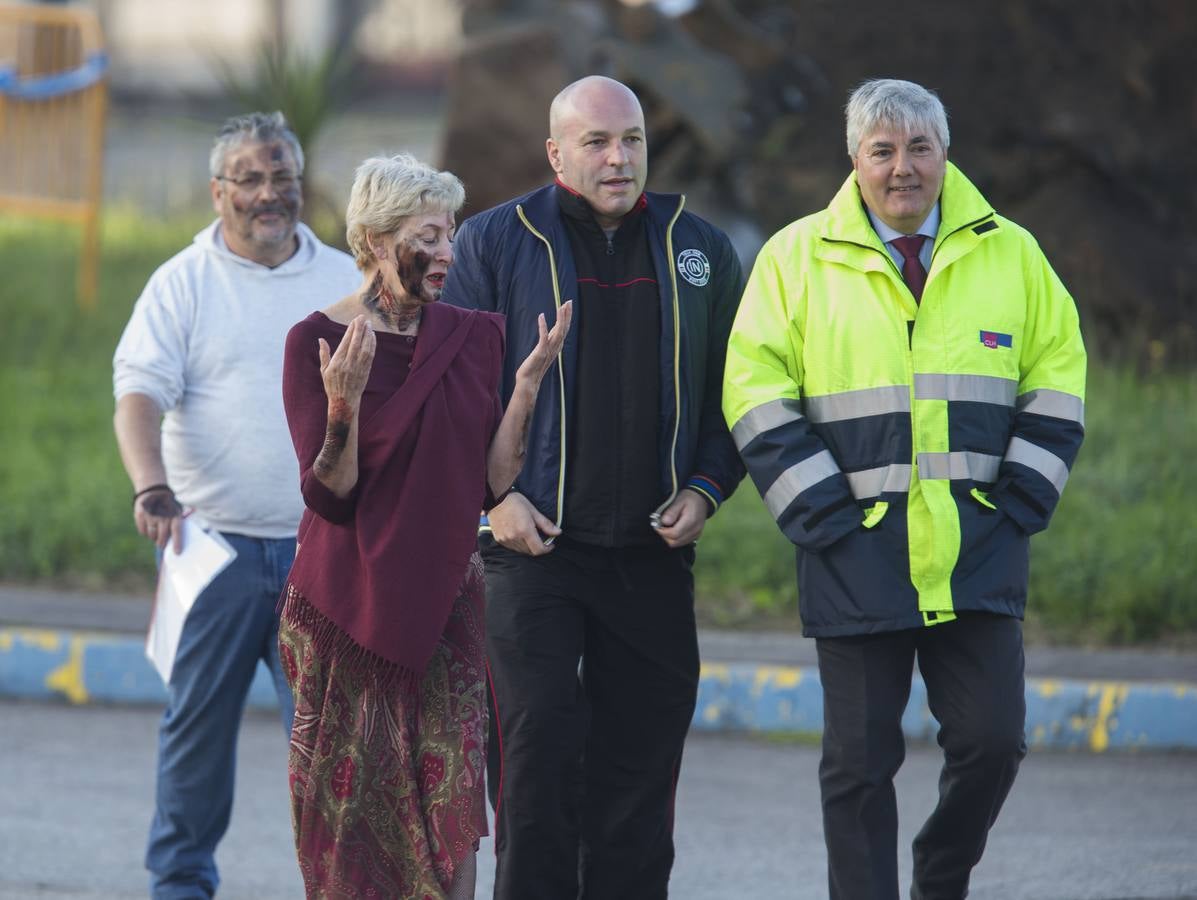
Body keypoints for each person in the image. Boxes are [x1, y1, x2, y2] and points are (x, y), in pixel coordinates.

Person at [723, 78, 1087, 899]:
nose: (901, 169)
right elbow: (752, 390)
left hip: (977, 547)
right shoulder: (794, 257)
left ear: (943, 155)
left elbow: (1057, 377)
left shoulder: (1013, 253)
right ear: (853, 160)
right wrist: (823, 516)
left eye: (918, 149)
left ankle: (939, 873)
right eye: (882, 151)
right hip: (851, 549)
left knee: (994, 743)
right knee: (857, 766)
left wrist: (1016, 505)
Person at [442, 75, 746, 900]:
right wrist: (491, 501)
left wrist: (709, 487)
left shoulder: (700, 249)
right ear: (555, 154)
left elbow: (742, 393)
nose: (618, 158)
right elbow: (455, 397)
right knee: (535, 767)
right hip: (531, 556)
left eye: (633, 140)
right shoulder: (494, 242)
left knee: (639, 783)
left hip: (651, 554)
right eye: (596, 142)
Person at [278, 153, 570, 899]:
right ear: (376, 240)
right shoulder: (316, 340)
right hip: (347, 609)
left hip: (445, 606)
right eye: (429, 236)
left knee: (447, 809)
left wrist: (527, 386)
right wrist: (341, 406)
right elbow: (331, 496)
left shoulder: (474, 336)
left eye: (450, 236)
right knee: (348, 817)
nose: (447, 253)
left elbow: (491, 482)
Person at [112, 111, 360, 899]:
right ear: (218, 192)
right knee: (196, 734)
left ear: (301, 183)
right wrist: (151, 485)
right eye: (249, 179)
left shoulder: (344, 283)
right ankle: (180, 884)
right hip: (209, 549)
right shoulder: (181, 282)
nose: (268, 193)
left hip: (320, 552)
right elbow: (138, 395)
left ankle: (340, 884)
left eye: (281, 177)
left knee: (329, 741)